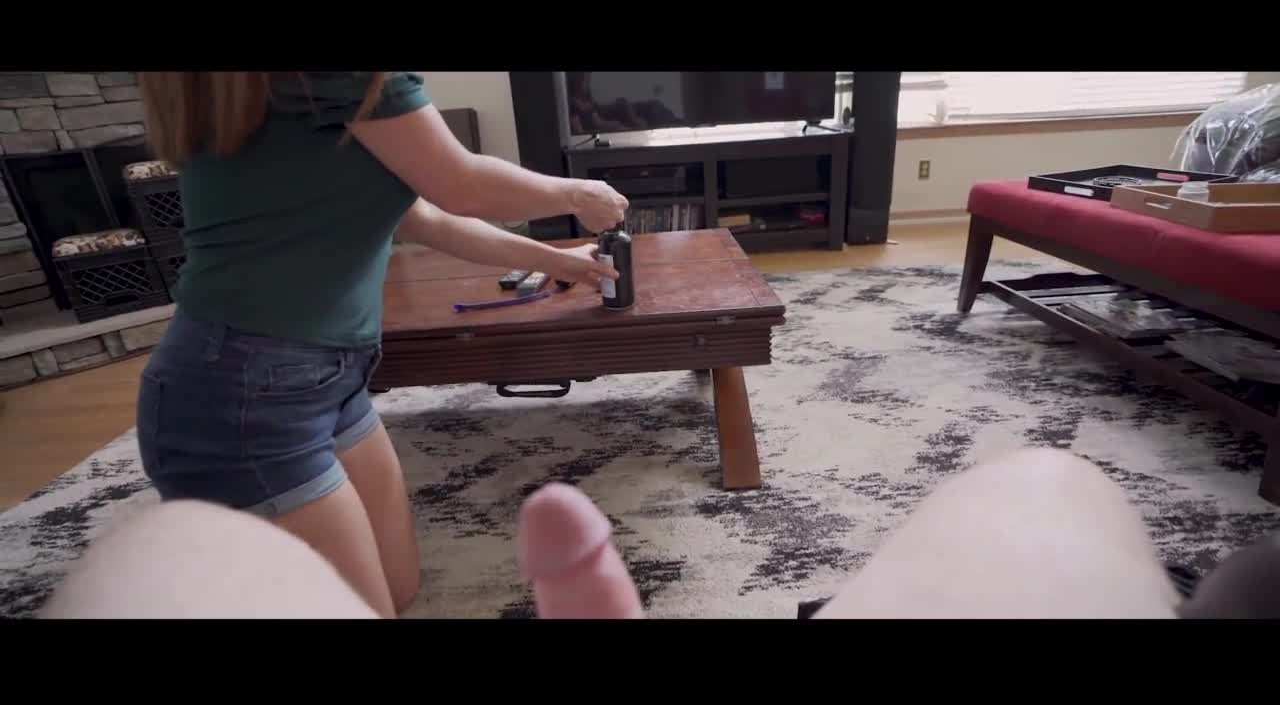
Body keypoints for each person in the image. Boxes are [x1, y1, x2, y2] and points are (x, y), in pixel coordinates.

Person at [132, 72, 629, 618]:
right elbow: (460, 184)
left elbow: (424, 217)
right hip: (241, 393)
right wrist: (578, 193)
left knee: (397, 589)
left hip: (331, 378)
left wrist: (556, 261)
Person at [49, 447, 1273, 620]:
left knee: (173, 540)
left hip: (313, 379)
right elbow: (457, 192)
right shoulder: (366, 91)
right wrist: (575, 200)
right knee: (1046, 475)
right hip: (269, 391)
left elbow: (440, 214)